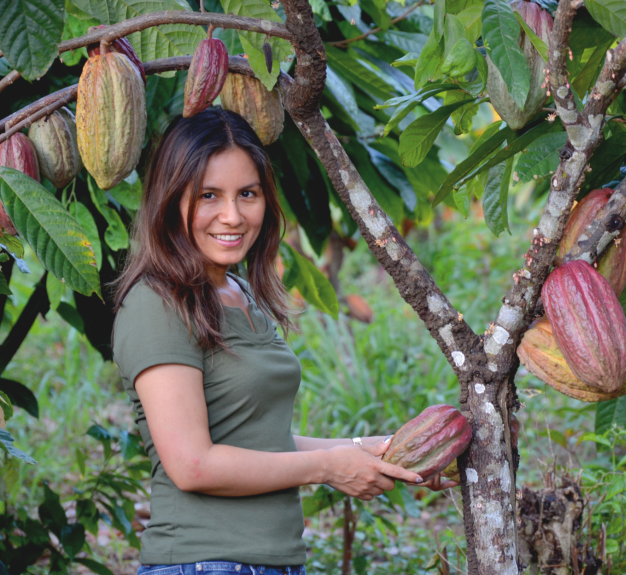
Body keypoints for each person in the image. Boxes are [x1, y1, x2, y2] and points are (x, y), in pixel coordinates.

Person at [111, 107, 459, 575]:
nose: (232, 216)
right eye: (208, 195)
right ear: (171, 198)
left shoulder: (238, 292)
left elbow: (258, 442)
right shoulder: (157, 303)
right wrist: (328, 468)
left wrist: (372, 449)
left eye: (247, 194)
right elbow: (192, 464)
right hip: (203, 563)